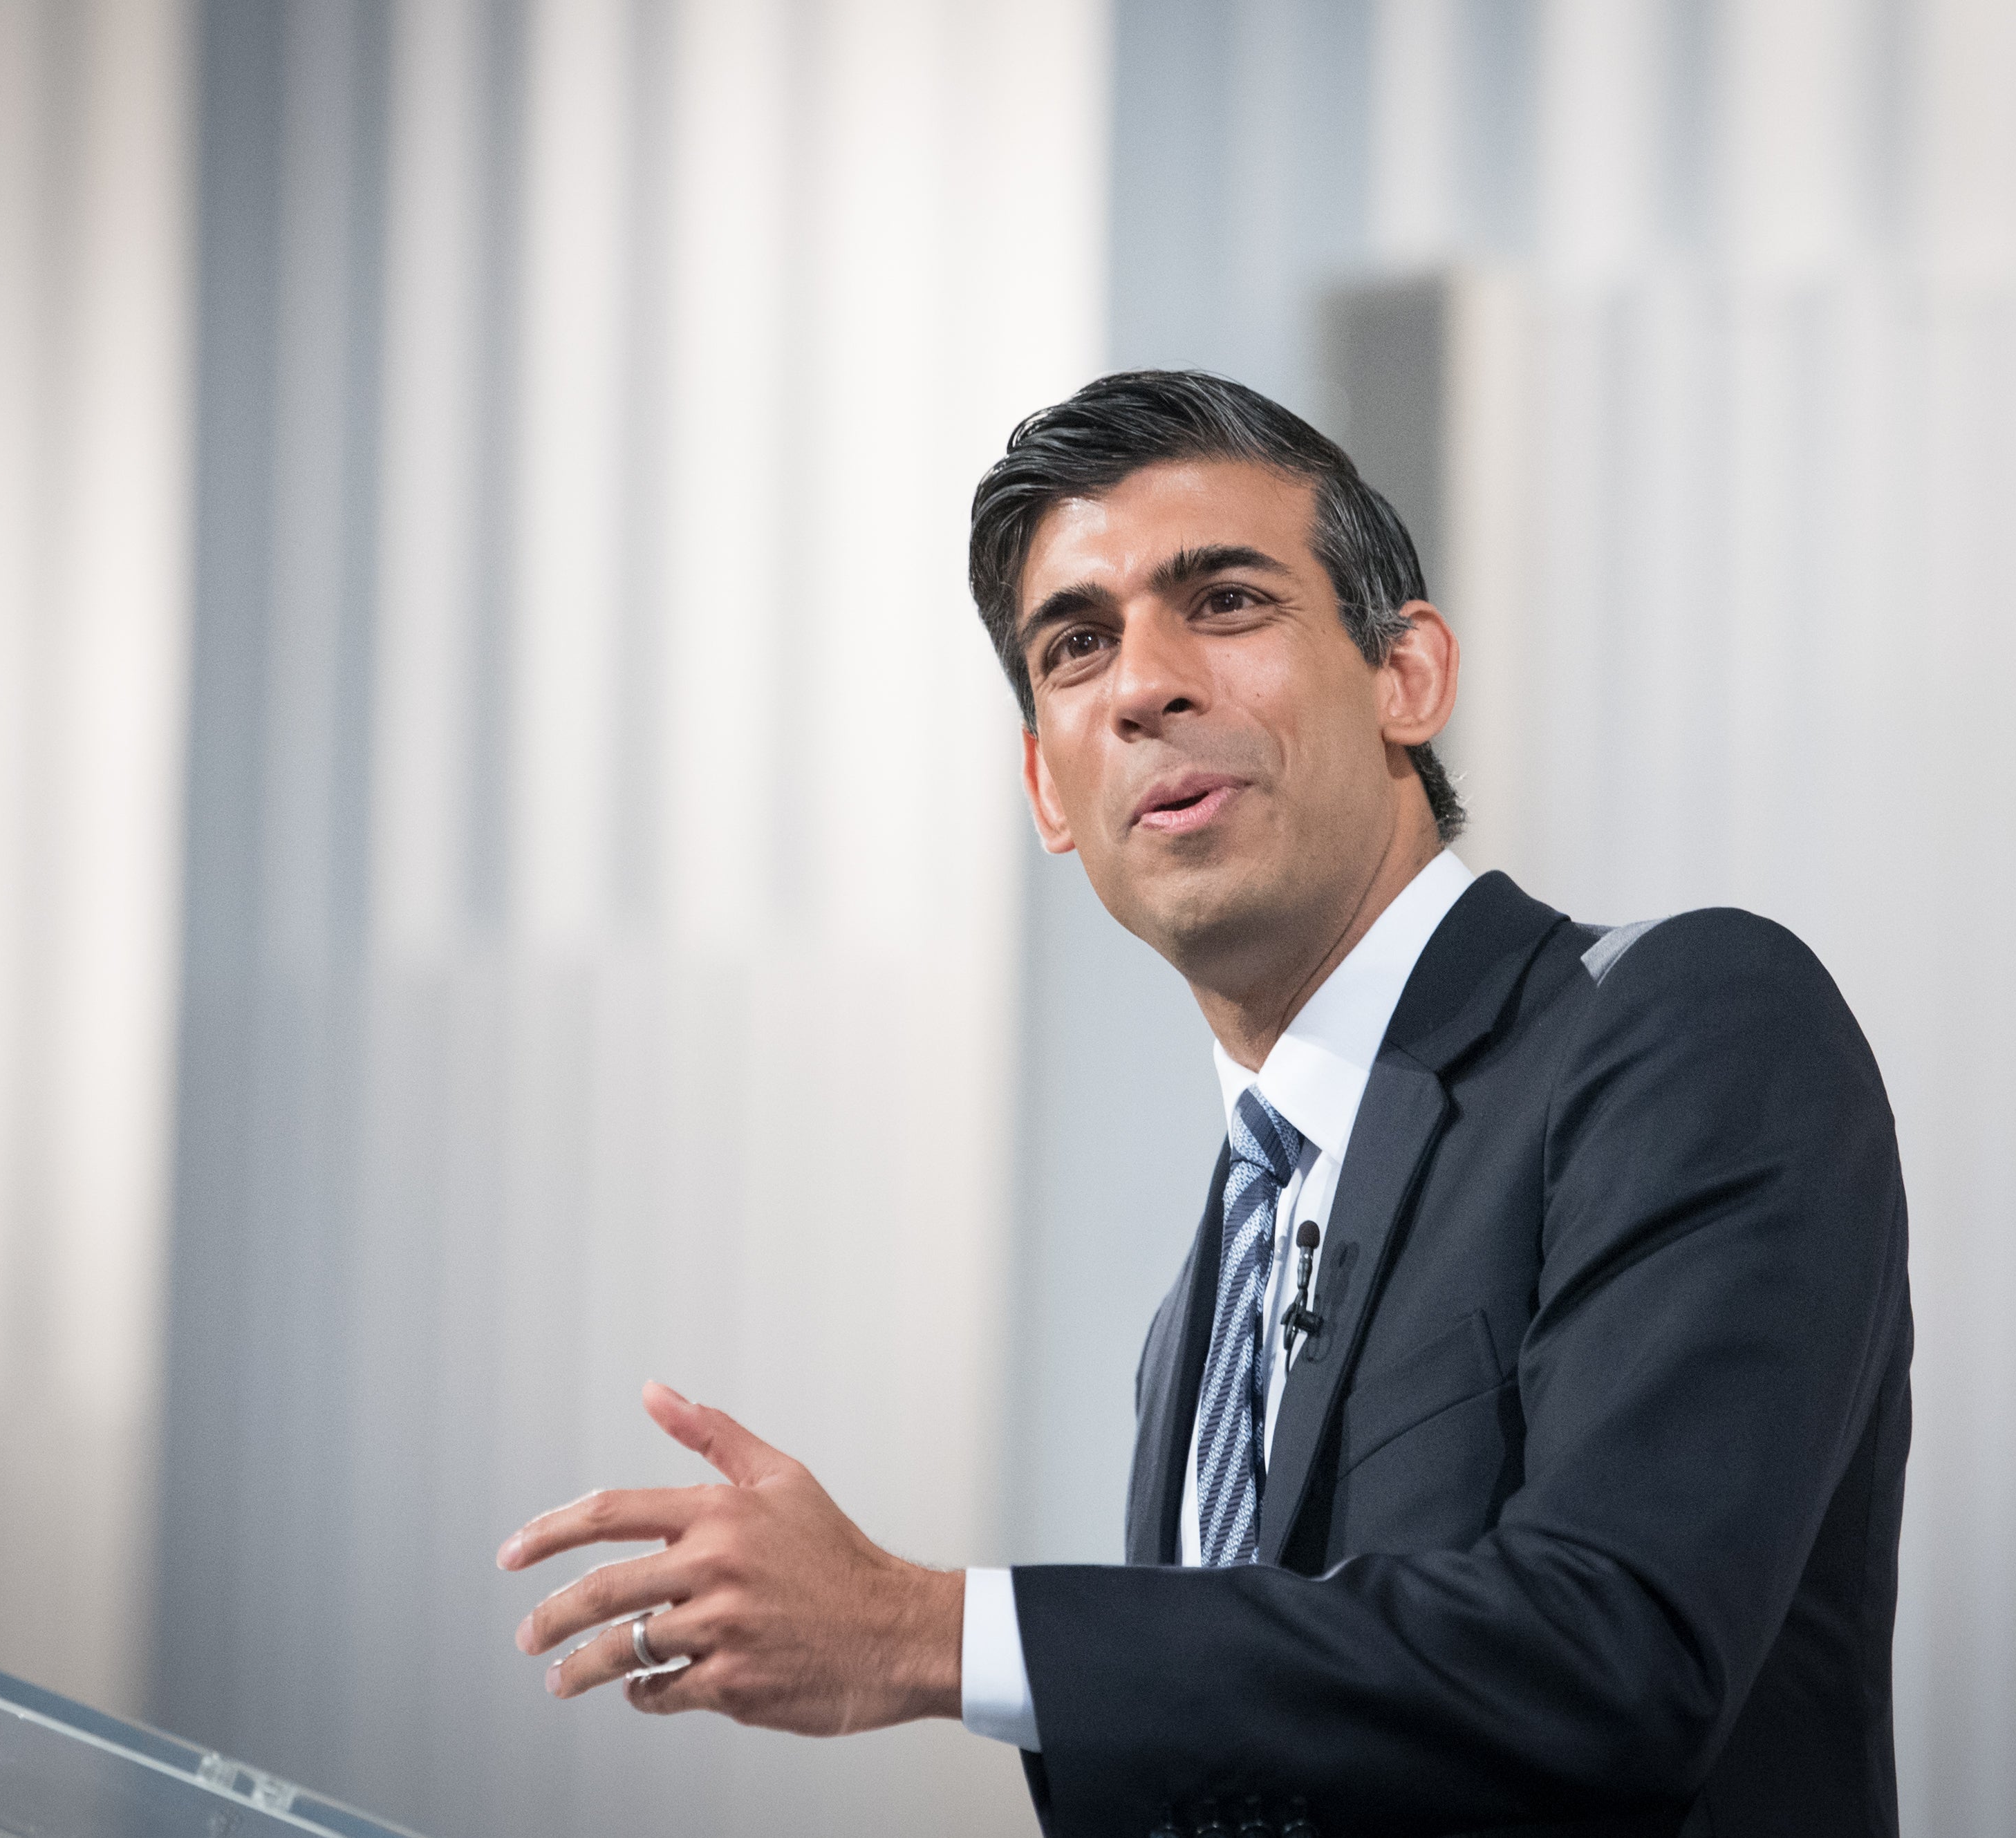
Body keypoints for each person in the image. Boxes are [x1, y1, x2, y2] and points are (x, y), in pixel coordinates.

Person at [499, 371, 1914, 1838]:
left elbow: (1615, 1656)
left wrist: (929, 1632)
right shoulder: (1203, 1304)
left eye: (1224, 602)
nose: (1141, 685)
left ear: (1404, 676)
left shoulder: (1682, 1026)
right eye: (1075, 646)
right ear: (1048, 793)